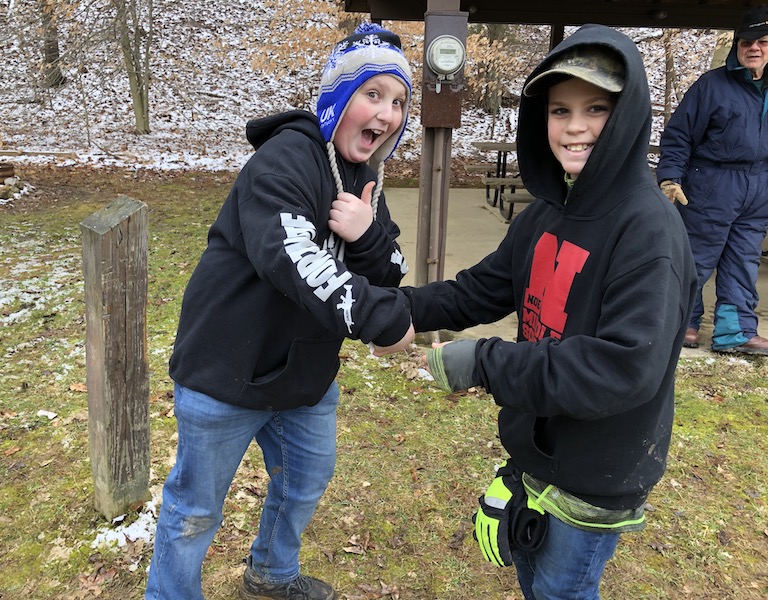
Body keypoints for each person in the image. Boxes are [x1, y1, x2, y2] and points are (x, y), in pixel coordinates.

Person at [376, 24, 697, 599]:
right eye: (559, 110)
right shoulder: (543, 214)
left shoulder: (649, 231)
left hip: (596, 472)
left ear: (629, 116)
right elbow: (478, 291)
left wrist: (483, 363)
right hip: (538, 450)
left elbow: (624, 367)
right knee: (533, 580)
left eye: (596, 108)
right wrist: (390, 309)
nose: (574, 127)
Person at [145, 22, 415, 600]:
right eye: (372, 94)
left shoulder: (364, 179)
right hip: (226, 371)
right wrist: (377, 317)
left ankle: (270, 574)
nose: (387, 114)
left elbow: (391, 268)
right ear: (338, 96)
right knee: (194, 511)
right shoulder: (285, 159)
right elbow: (291, 256)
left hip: (304, 377)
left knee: (303, 483)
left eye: (398, 102)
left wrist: (367, 235)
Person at [657, 4, 768, 354]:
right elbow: (679, 135)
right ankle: (682, 324)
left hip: (759, 188)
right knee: (695, 257)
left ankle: (734, 332)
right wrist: (670, 177)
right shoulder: (712, 86)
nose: (754, 48)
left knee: (743, 261)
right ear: (737, 45)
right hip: (711, 184)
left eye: (763, 41)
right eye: (747, 41)